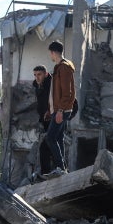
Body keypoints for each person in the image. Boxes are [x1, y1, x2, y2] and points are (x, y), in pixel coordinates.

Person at [45, 40, 76, 177]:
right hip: (58, 110)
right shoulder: (59, 68)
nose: (50, 57)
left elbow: (67, 92)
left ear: (53, 52)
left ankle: (60, 167)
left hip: (62, 110)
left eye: (50, 54)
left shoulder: (64, 67)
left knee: (50, 138)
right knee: (58, 138)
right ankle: (63, 169)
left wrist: (60, 111)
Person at [33, 65, 53, 176]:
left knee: (46, 146)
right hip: (45, 120)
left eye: (39, 74)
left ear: (45, 74)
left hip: (54, 118)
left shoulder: (52, 83)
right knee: (47, 146)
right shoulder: (37, 85)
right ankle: (48, 172)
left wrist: (50, 111)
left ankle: (48, 172)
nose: (37, 77)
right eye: (35, 75)